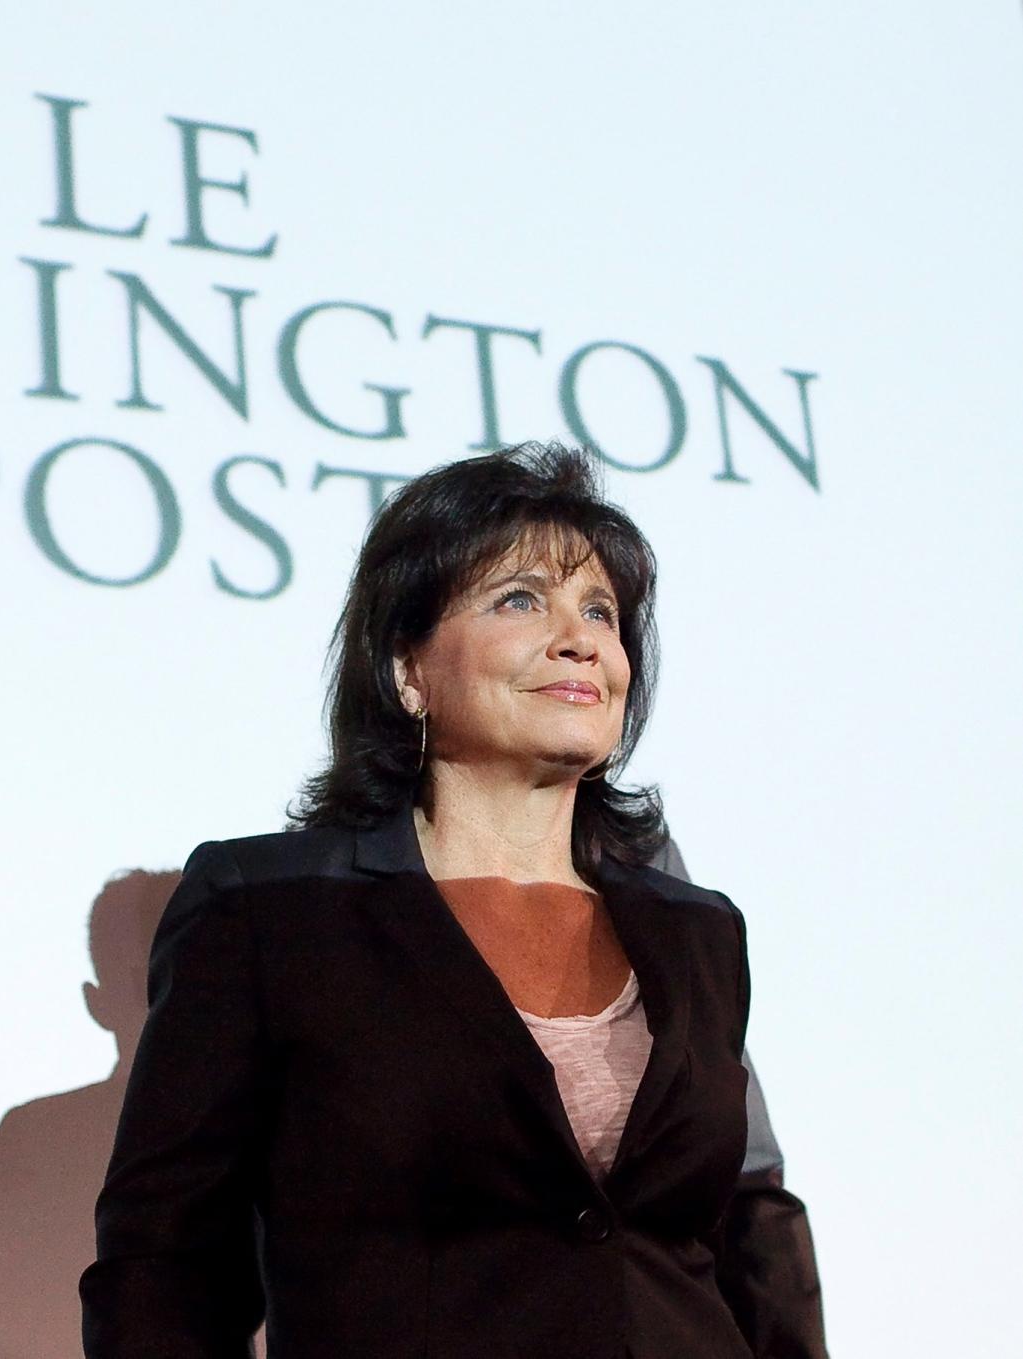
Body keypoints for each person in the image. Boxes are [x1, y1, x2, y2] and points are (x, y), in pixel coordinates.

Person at [81, 444, 824, 1358]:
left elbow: (748, 1226)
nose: (580, 638)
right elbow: (163, 1267)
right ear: (407, 669)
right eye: (519, 599)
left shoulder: (697, 930)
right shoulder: (268, 914)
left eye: (599, 610)